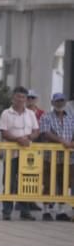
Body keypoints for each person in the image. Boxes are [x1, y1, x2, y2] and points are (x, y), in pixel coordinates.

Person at [0, 86, 40, 221]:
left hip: (28, 155)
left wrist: (28, 139)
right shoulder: (6, 113)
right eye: (18, 97)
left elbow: (36, 131)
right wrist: (18, 139)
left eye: (23, 97)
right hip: (11, 154)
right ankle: (7, 211)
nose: (20, 99)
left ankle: (25, 211)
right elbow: (4, 132)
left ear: (26, 99)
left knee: (26, 181)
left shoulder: (31, 114)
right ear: (13, 98)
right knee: (9, 181)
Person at [39, 92, 74, 221]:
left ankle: (61, 210)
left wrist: (71, 143)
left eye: (62, 101)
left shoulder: (71, 117)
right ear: (53, 103)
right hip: (50, 157)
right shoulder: (46, 117)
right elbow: (45, 134)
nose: (60, 103)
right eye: (57, 101)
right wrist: (62, 141)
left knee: (64, 184)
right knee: (48, 183)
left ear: (65, 103)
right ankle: (46, 210)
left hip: (68, 158)